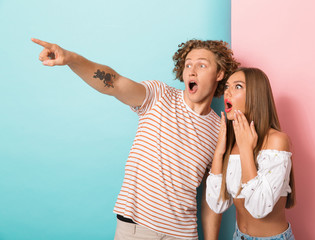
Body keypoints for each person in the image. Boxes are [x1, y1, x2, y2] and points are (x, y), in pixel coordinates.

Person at [32, 38, 239, 240]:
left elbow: (211, 196)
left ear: (219, 73)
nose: (191, 71)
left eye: (201, 65)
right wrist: (71, 58)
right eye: (188, 65)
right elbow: (113, 82)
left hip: (184, 234)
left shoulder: (219, 129)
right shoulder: (159, 95)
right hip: (137, 229)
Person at [206, 67, 296, 240]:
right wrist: (218, 153)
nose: (228, 92)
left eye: (238, 86)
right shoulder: (232, 143)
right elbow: (217, 204)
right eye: (226, 86)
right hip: (238, 236)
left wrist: (246, 150)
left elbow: (259, 208)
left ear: (256, 95)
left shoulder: (276, 141)